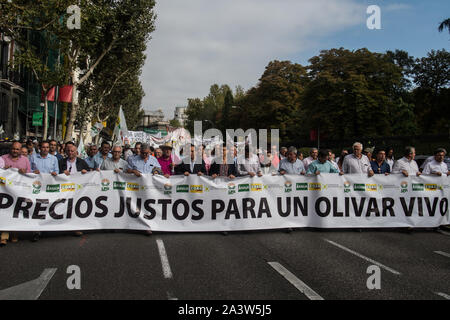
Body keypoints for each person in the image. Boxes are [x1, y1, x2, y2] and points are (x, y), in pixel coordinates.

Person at [1, 141, 32, 246]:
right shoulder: (3, 158)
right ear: (11, 149)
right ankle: (4, 236)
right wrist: (3, 170)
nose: (15, 151)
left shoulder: (25, 160)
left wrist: (25, 173)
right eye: (13, 149)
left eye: (17, 149)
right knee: (5, 211)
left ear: (20, 150)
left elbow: (30, 175)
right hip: (6, 191)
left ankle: (14, 233)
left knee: (16, 211)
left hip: (19, 191)